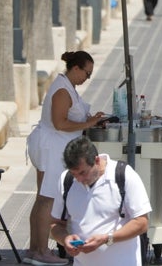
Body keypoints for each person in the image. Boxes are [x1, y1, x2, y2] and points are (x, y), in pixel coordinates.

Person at [26, 51, 105, 265]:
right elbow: (60, 123)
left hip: (50, 146)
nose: (86, 78)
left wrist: (90, 120)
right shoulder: (62, 90)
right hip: (51, 147)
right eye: (86, 73)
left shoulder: (68, 87)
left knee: (43, 198)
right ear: (75, 68)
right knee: (47, 199)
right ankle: (41, 250)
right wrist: (87, 124)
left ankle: (35, 249)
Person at [49, 137, 151, 266]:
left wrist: (107, 239)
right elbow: (55, 224)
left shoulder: (124, 175)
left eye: (83, 173)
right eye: (74, 174)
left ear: (96, 160)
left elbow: (142, 223)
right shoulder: (66, 180)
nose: (79, 179)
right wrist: (65, 239)